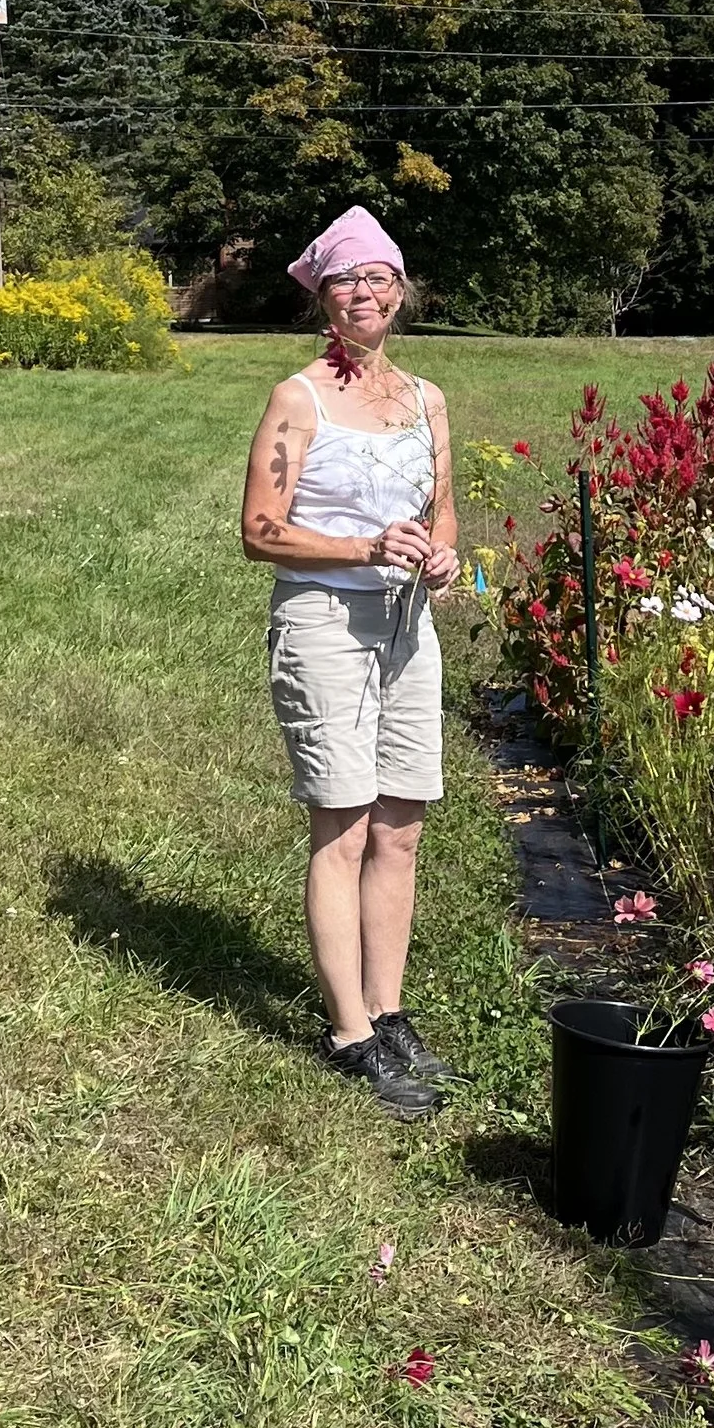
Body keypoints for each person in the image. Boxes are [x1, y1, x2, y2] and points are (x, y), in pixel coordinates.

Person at [240, 206, 460, 1117]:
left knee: (401, 825)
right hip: (327, 622)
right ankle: (348, 1033)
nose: (363, 293)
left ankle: (389, 1007)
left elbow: (442, 508)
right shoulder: (301, 398)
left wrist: (445, 554)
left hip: (409, 627)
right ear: (322, 299)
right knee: (345, 822)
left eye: (377, 277)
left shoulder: (425, 399)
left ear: (400, 290)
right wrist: (363, 548)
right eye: (345, 280)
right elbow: (259, 531)